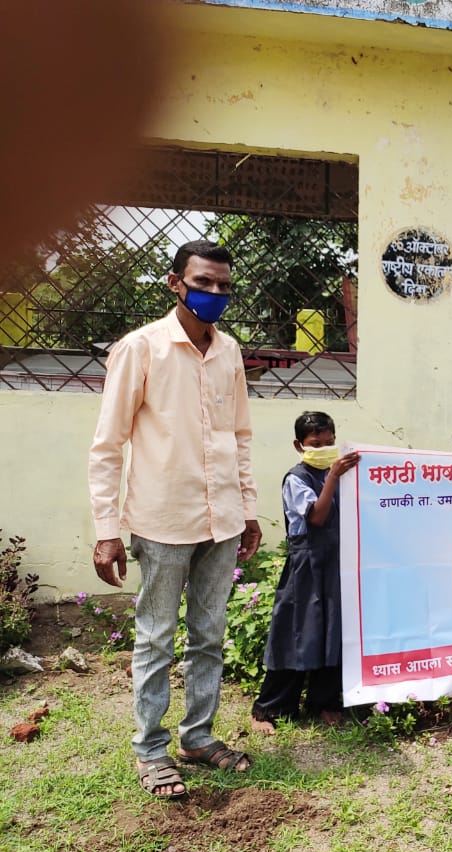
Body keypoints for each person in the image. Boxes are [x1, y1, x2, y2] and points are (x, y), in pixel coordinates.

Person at [88, 239, 260, 799]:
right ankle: (151, 751)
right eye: (203, 283)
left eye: (223, 286)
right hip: (162, 520)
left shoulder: (228, 352)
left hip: (222, 521)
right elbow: (108, 445)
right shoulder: (141, 350)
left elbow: (239, 437)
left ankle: (199, 737)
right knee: (157, 637)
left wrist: (248, 509)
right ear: (175, 283)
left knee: (209, 635)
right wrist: (106, 530)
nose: (214, 294)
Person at [250, 412, 360, 735]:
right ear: (299, 445)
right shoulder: (296, 479)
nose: (325, 448)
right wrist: (335, 478)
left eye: (329, 443)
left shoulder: (340, 474)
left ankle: (323, 703)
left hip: (335, 564)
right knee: (297, 635)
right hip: (306, 566)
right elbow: (317, 517)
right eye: (316, 444)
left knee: (332, 633)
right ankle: (270, 708)